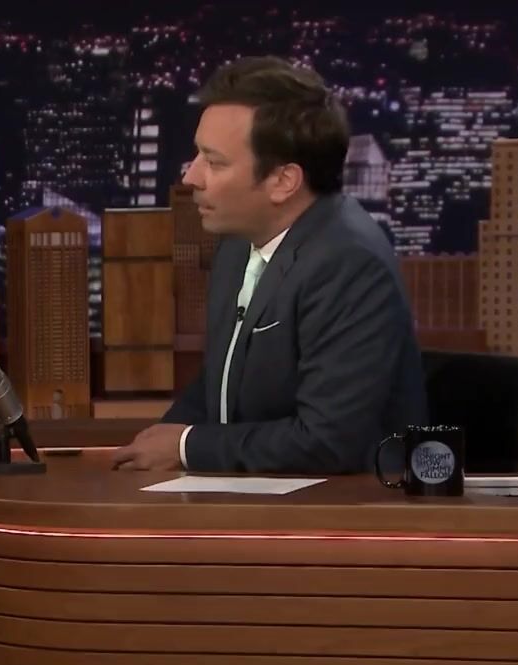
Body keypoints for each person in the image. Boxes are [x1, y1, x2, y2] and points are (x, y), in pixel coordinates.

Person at [112, 56, 426, 475]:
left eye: (214, 162)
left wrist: (186, 447)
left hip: (342, 504)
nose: (191, 177)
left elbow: (328, 441)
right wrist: (157, 442)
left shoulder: (348, 264)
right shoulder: (239, 244)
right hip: (251, 490)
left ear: (283, 181)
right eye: (197, 155)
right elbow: (221, 384)